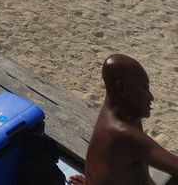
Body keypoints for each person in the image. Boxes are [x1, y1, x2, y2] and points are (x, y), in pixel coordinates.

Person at [68, 54, 178, 185]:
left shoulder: (115, 111)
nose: (151, 97)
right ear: (121, 88)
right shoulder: (122, 134)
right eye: (144, 88)